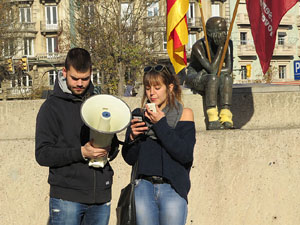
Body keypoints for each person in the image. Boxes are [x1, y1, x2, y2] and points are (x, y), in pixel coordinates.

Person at [35, 48, 118, 225]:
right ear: (64, 72)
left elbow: (114, 145)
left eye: (85, 78)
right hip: (67, 198)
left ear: (91, 74)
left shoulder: (101, 102)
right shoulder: (51, 107)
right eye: (75, 78)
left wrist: (109, 149)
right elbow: (42, 154)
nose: (80, 83)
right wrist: (81, 152)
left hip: (100, 198)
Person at [122, 64, 196, 225]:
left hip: (173, 188)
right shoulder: (139, 115)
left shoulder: (184, 114)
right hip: (144, 187)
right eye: (148, 88)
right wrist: (132, 138)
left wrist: (160, 123)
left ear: (170, 87)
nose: (152, 93)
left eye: (157, 87)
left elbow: (184, 154)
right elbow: (129, 158)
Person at [185, 16, 234, 130]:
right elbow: (212, 69)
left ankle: (226, 116)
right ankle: (212, 118)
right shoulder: (198, 46)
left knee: (226, 78)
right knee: (212, 78)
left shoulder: (228, 43)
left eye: (225, 31)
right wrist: (221, 48)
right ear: (210, 33)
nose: (223, 35)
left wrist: (213, 72)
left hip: (208, 73)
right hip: (196, 75)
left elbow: (229, 69)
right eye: (220, 31)